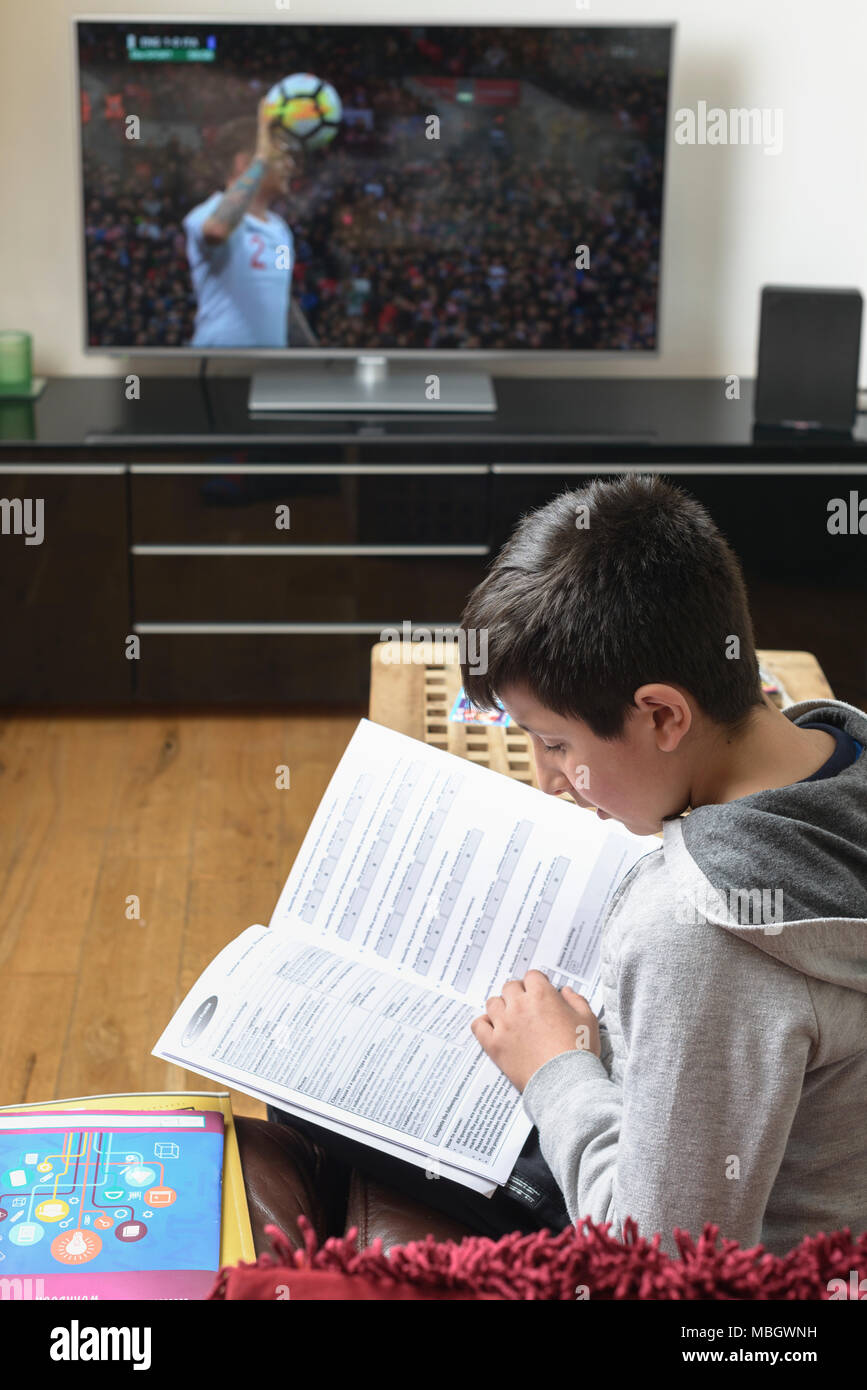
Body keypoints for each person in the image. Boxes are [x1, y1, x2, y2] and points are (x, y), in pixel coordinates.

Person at [270, 475, 867, 1255]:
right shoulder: (841, 746)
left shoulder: (697, 938)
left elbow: (660, 1260)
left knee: (305, 1079)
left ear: (660, 714)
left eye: (556, 744)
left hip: (729, 1260)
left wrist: (556, 1070)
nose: (545, 776)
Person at [183, 100, 314, 348]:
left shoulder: (281, 231)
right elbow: (217, 230)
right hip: (218, 368)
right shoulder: (208, 213)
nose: (290, 165)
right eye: (281, 157)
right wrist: (263, 156)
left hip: (269, 370)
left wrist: (313, 352)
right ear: (246, 163)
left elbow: (281, 291)